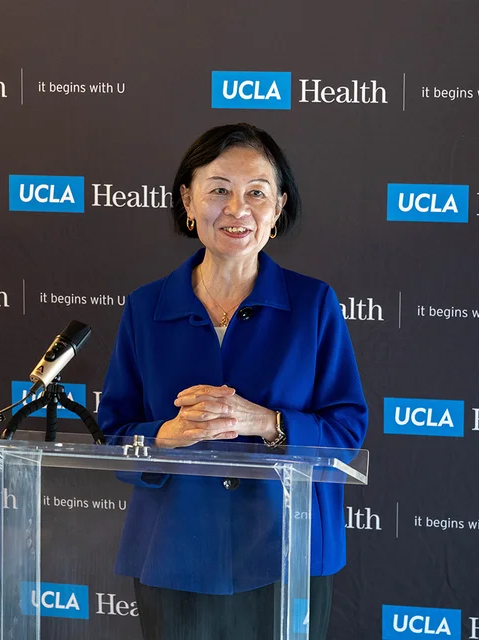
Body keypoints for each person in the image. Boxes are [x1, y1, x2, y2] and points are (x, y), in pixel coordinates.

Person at [97, 123, 368, 640]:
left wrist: (269, 423)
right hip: (173, 554)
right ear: (187, 200)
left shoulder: (313, 304)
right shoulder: (145, 307)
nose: (237, 209)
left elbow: (347, 430)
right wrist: (164, 437)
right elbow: (113, 434)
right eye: (218, 189)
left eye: (256, 193)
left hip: (287, 555)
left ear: (278, 207)